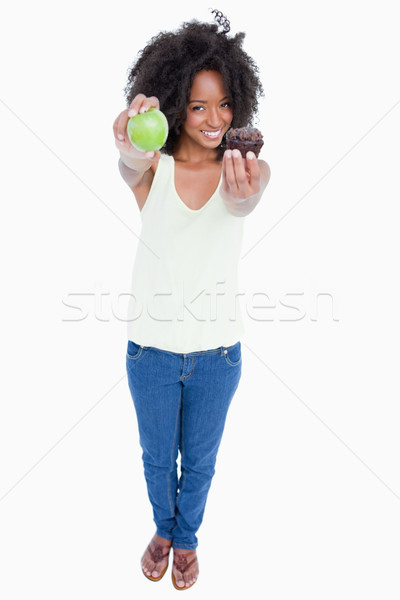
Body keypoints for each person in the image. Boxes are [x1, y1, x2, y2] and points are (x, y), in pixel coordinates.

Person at [113, 9, 270, 590]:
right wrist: (130, 128)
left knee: (199, 463)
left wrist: (247, 195)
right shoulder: (153, 168)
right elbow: (130, 157)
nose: (214, 118)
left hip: (217, 356)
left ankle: (187, 538)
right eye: (199, 105)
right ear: (178, 102)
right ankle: (163, 528)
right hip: (150, 352)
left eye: (225, 104)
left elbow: (246, 201)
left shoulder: (246, 170)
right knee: (158, 459)